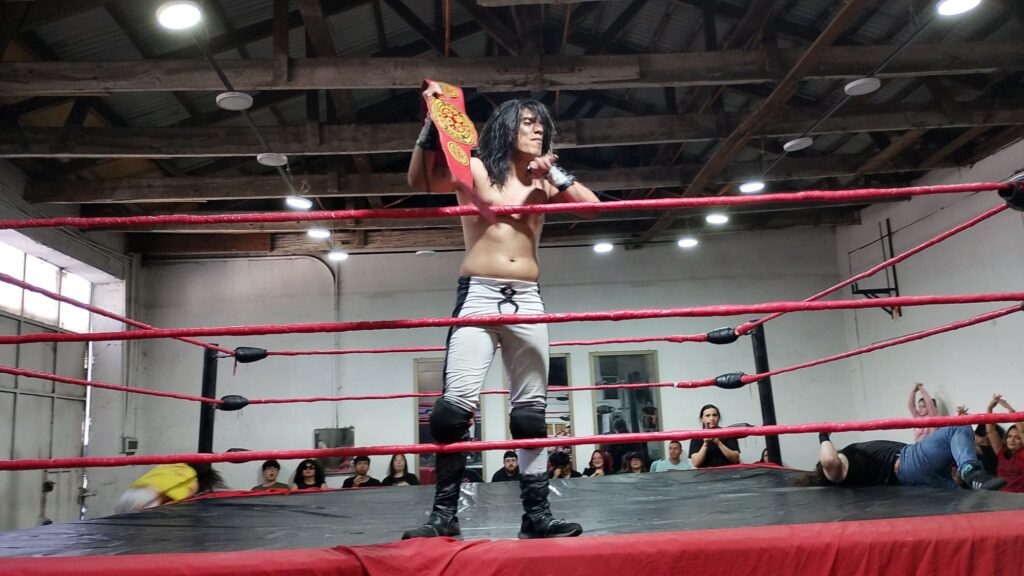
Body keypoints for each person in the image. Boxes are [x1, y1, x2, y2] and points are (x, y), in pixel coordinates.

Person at [402, 82, 599, 541]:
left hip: (527, 296)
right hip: (479, 293)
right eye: (528, 123)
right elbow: (419, 182)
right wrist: (432, 127)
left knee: (530, 414)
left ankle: (536, 516)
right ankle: (444, 515)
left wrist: (555, 172)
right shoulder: (474, 168)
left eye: (542, 125)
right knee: (452, 411)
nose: (538, 130)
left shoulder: (545, 179)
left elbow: (592, 209)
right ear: (508, 128)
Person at [798, 427, 1005, 491]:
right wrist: (823, 435)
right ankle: (970, 471)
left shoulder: (851, 466)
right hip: (909, 460)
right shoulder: (839, 468)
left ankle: (969, 479)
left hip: (913, 471)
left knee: (969, 497)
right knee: (958, 427)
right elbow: (829, 462)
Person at [116, 463, 225, 513]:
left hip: (125, 498)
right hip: (146, 502)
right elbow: (174, 501)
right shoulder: (191, 477)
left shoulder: (170, 465)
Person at [986, 394, 1024, 492]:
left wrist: (1009, 409)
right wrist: (989, 408)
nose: (1012, 440)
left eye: (1017, 438)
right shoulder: (1001, 452)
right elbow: (990, 431)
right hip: (1000, 496)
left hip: (1019, 497)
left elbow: (1022, 431)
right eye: (1009, 436)